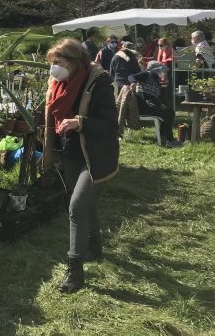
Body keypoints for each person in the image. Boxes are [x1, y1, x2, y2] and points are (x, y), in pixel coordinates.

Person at [42, 38, 118, 293]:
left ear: (75, 63)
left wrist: (80, 122)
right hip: (71, 151)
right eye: (53, 63)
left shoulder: (99, 83)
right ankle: (95, 246)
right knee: (84, 201)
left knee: (75, 206)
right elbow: (50, 113)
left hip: (94, 155)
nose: (55, 68)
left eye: (59, 63)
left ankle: (75, 271)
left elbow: (110, 126)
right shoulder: (57, 84)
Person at [128, 61, 179, 147]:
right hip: (143, 107)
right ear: (154, 70)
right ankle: (169, 140)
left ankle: (162, 135)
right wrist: (133, 82)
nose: (161, 72)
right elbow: (131, 76)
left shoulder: (156, 80)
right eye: (160, 70)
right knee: (168, 113)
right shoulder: (146, 74)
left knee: (170, 112)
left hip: (150, 106)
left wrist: (160, 104)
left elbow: (153, 97)